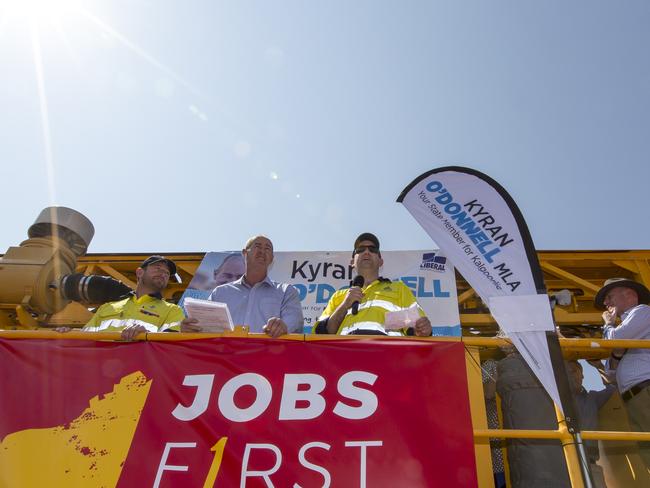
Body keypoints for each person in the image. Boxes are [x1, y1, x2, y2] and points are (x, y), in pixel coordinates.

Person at [182, 235, 303, 337]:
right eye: (257, 246)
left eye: (268, 248)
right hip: (226, 360)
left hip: (267, 359)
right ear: (244, 253)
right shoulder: (220, 292)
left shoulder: (286, 291)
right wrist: (190, 327)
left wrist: (283, 326)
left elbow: (294, 321)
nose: (262, 251)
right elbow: (203, 325)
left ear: (272, 258)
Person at [314, 232, 432, 336]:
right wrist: (345, 305)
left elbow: (416, 326)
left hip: (389, 356)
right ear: (352, 262)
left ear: (381, 262)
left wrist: (421, 328)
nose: (366, 252)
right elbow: (320, 334)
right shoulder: (338, 296)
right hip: (345, 357)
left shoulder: (399, 289)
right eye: (360, 249)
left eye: (373, 249)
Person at [56, 255, 185, 340]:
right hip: (99, 367)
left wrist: (147, 335)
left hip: (137, 372)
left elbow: (171, 344)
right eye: (158, 269)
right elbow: (86, 336)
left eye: (166, 273)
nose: (163, 274)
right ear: (140, 272)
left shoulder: (173, 310)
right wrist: (69, 333)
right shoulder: (108, 307)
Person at [595, 277, 650, 467]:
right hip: (635, 397)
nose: (605, 303)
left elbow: (615, 341)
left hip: (645, 391)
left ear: (630, 294)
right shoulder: (629, 327)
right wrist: (613, 358)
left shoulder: (643, 312)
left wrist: (608, 324)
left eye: (609, 296)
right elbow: (611, 375)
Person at [566, 360, 615, 488]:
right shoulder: (554, 400)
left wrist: (599, 366)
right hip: (563, 463)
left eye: (573, 371)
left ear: (582, 375)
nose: (570, 376)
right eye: (566, 372)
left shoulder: (592, 398)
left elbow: (614, 387)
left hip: (590, 464)